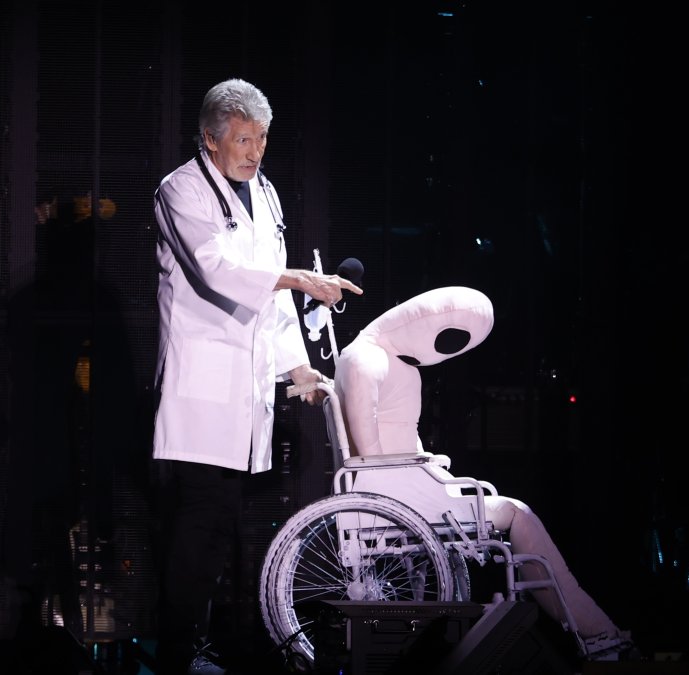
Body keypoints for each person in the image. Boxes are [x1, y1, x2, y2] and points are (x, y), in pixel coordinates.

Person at [151, 78, 362, 675]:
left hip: (245, 391)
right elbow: (219, 271)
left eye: (262, 138)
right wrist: (299, 279)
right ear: (210, 140)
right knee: (201, 528)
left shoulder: (263, 193)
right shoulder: (181, 190)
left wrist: (299, 367)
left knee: (223, 530)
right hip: (201, 388)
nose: (255, 151)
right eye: (243, 139)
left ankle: (204, 646)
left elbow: (270, 294)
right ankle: (177, 653)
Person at [333, 286, 635, 661]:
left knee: (513, 513)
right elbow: (374, 462)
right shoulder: (368, 360)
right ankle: (593, 630)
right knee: (517, 513)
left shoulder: (386, 362)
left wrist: (427, 464)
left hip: (409, 489)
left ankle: (585, 625)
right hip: (398, 496)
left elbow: (390, 449)